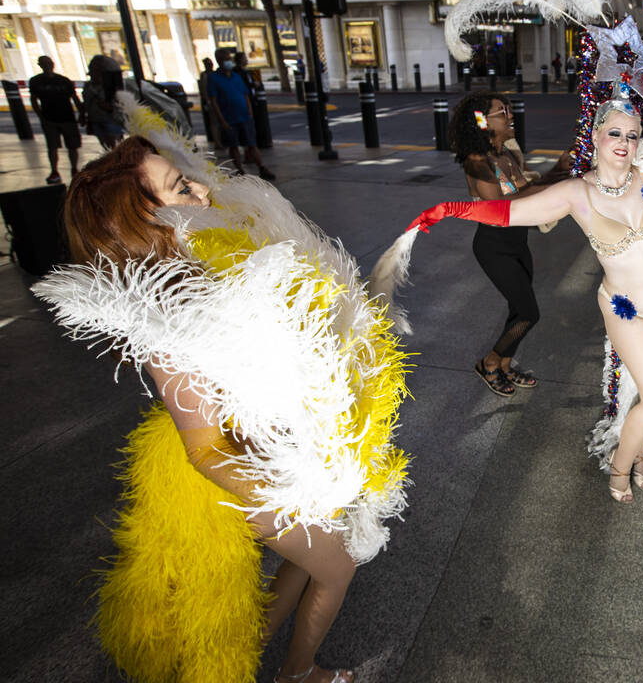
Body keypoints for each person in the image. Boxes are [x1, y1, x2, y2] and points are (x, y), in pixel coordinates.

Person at [33, 117, 413, 683]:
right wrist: (296, 491)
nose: (203, 191)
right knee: (336, 568)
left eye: (191, 181)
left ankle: (270, 654)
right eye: (180, 189)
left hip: (277, 451)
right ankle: (298, 672)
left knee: (310, 562)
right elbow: (205, 449)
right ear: (141, 222)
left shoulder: (206, 270)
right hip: (249, 472)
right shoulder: (167, 324)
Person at [402, 18, 643, 503]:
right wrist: (449, 208)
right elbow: (509, 212)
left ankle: (640, 448)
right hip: (628, 310)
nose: (625, 142)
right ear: (594, 138)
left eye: (633, 135)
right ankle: (621, 466)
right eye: (614, 132)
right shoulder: (577, 193)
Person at [451, 92, 543, 396]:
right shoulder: (477, 163)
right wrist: (546, 189)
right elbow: (500, 208)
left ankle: (505, 364)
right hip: (494, 245)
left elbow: (530, 191)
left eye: (509, 109)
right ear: (482, 120)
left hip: (518, 241)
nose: (510, 115)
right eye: (502, 111)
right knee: (529, 312)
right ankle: (489, 363)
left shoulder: (509, 155)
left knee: (518, 309)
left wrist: (561, 173)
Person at [207, 47, 274, 180]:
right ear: (219, 60)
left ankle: (261, 167)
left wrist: (250, 112)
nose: (229, 61)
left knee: (251, 143)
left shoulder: (236, 76)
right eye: (226, 59)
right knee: (234, 145)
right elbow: (213, 101)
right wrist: (222, 121)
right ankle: (240, 170)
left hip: (244, 116)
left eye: (229, 59)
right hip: (228, 118)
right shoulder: (213, 78)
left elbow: (245, 95)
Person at [28, 55, 83, 184]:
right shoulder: (36, 81)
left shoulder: (63, 81)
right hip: (49, 118)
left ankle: (74, 168)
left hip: (67, 117)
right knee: (52, 146)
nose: (47, 66)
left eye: (48, 63)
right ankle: (54, 170)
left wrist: (81, 113)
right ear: (40, 65)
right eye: (44, 63)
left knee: (72, 145)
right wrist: (41, 116)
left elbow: (74, 98)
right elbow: (34, 99)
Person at [81, 54, 125, 150]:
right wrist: (84, 116)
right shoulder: (89, 86)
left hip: (111, 119)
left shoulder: (112, 86)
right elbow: (86, 103)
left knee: (114, 145)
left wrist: (108, 106)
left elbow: (119, 104)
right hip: (96, 119)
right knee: (106, 145)